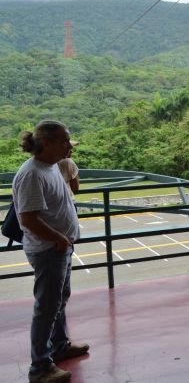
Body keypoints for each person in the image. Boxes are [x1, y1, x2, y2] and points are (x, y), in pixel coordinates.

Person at [12, 120, 89, 383]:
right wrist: (58, 238)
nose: (69, 145)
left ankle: (59, 346)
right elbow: (28, 219)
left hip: (60, 247)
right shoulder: (32, 173)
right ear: (47, 144)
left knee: (58, 299)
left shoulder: (51, 167)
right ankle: (40, 367)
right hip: (48, 250)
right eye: (65, 141)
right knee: (47, 306)